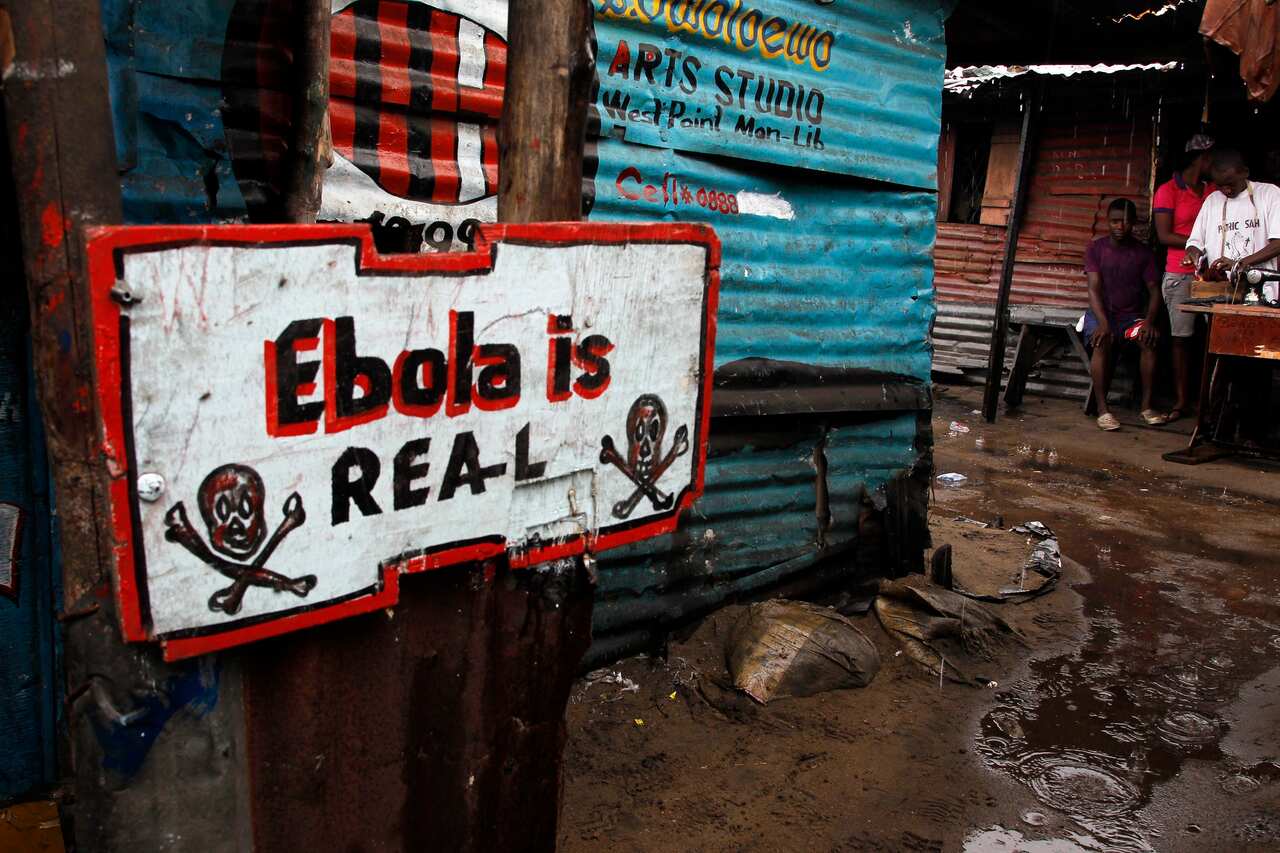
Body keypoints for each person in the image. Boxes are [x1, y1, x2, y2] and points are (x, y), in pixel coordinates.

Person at [1083, 197, 1165, 431]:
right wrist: (1102, 323)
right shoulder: (1096, 249)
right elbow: (1093, 289)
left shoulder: (1143, 253)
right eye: (1115, 221)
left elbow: (1154, 291)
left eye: (1126, 222)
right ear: (1107, 222)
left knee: (1148, 341)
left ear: (1134, 224)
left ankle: (1146, 407)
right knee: (1101, 341)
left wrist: (1148, 322)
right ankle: (1103, 410)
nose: (1120, 227)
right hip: (1101, 314)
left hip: (1130, 318)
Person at [1153, 135, 1215, 423]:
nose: (1212, 164)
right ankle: (1181, 401)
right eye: (1209, 158)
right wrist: (1199, 245)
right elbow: (1164, 235)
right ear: (1199, 159)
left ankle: (1209, 402)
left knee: (1212, 340)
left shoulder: (1213, 190)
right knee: (1181, 340)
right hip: (1180, 273)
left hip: (1211, 275)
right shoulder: (1168, 190)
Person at [1184, 149, 1280, 299]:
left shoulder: (1269, 194)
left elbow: (1278, 243)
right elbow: (1195, 242)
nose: (1226, 190)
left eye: (1230, 184)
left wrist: (1238, 264)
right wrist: (1193, 254)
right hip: (1221, 292)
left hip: (1261, 293)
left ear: (1245, 173)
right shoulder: (1212, 201)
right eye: (1220, 186)